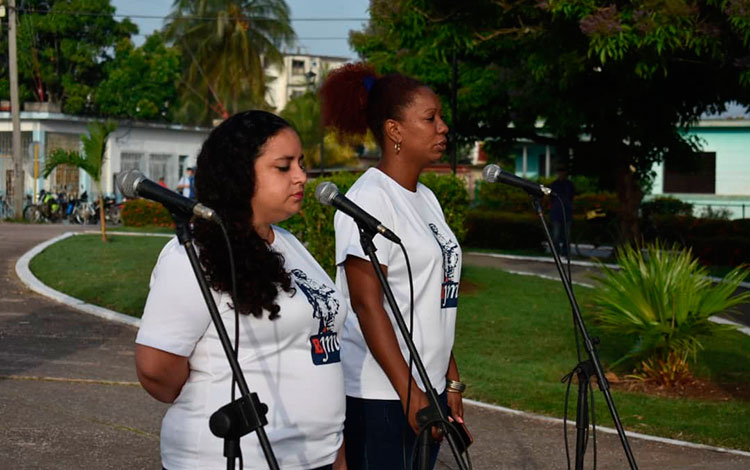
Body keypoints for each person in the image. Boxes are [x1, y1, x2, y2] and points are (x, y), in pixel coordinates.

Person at [134, 111, 346, 470]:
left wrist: (334, 450)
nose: (301, 176)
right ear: (240, 174)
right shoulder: (195, 254)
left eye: (302, 163)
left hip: (315, 457)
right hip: (232, 458)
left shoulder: (290, 244)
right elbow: (156, 368)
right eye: (283, 167)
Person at [320, 63, 465, 470]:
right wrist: (410, 395)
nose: (443, 128)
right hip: (382, 394)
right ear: (394, 130)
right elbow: (368, 306)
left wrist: (449, 379)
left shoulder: (427, 199)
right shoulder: (369, 199)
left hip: (427, 385)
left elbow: (435, 295)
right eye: (430, 118)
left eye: (441, 117)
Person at [549, 163, 575, 257]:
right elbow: (551, 199)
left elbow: (571, 196)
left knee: (566, 236)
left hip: (567, 212)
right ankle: (556, 252)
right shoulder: (554, 185)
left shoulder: (569, 185)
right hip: (556, 213)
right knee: (555, 235)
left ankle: (565, 252)